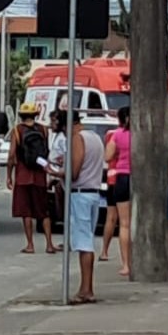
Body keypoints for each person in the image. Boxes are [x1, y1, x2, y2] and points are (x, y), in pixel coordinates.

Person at [57, 110, 104, 304]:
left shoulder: (77, 138)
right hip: (92, 192)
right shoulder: (95, 137)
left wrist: (57, 171)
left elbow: (74, 173)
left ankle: (86, 289)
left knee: (84, 244)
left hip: (80, 195)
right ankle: (86, 288)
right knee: (86, 240)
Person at [8, 103, 61, 254]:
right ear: (36, 115)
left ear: (21, 115)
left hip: (23, 176)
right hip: (40, 176)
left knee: (26, 213)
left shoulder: (17, 131)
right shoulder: (44, 129)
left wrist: (9, 175)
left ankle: (30, 245)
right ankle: (49, 244)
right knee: (43, 212)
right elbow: (46, 151)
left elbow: (12, 155)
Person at [105, 106, 132, 277]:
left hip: (122, 178)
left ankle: (126, 264)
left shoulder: (117, 134)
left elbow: (107, 156)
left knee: (124, 224)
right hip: (142, 179)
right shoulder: (142, 133)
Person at [99, 120, 120, 263]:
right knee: (126, 221)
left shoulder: (111, 134)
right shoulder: (133, 134)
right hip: (127, 177)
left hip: (112, 178)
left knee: (110, 218)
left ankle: (104, 251)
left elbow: (107, 156)